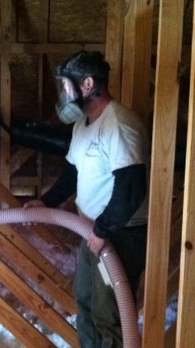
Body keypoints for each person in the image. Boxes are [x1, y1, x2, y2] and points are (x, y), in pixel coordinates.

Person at [24, 50, 149, 348]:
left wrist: (104, 230)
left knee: (110, 315)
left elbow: (131, 186)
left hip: (120, 234)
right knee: (87, 305)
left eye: (68, 86)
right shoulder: (83, 125)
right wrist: (48, 202)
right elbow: (72, 171)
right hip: (93, 232)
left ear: (89, 84)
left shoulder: (118, 124)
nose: (65, 94)